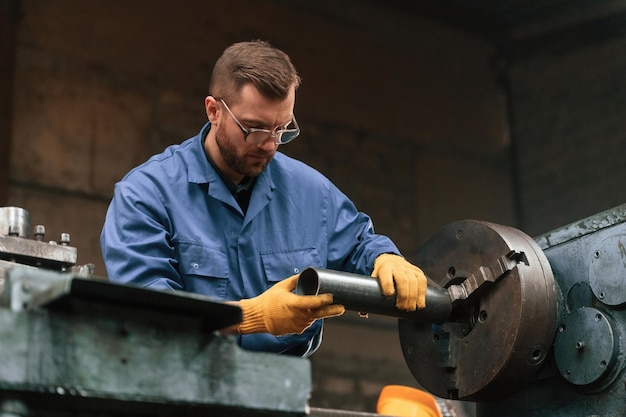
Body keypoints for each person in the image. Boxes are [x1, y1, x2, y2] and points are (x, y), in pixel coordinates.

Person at [100, 40, 427, 357]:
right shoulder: (147, 194)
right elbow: (149, 312)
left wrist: (384, 258)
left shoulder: (311, 193)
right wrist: (249, 316)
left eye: (282, 129)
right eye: (254, 129)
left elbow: (357, 244)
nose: (270, 145)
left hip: (282, 393)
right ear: (214, 111)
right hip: (178, 390)